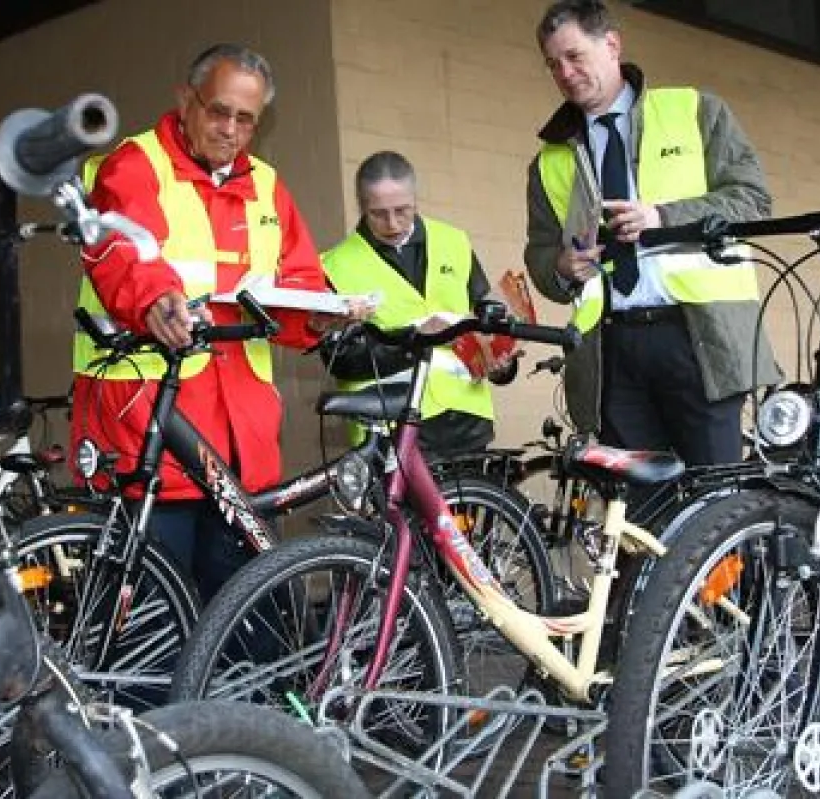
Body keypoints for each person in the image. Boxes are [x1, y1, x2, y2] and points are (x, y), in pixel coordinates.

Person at [69, 43, 345, 605]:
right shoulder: (133, 165)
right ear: (185, 100)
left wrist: (321, 313)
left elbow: (297, 281)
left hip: (241, 446)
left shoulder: (267, 186)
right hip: (148, 432)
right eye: (219, 111)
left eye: (246, 118)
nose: (230, 129)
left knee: (251, 629)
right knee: (151, 633)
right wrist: (157, 299)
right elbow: (123, 252)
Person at [523, 0, 782, 469]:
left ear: (612, 45)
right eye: (552, 64)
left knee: (715, 499)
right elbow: (540, 254)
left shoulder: (696, 111)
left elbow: (752, 200)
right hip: (611, 353)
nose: (564, 72)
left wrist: (664, 216)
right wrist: (560, 266)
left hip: (700, 339)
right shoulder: (549, 162)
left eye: (575, 56)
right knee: (637, 515)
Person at [320, 151, 519, 460]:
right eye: (378, 213)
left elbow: (486, 320)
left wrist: (502, 362)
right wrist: (416, 338)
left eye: (403, 210)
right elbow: (341, 360)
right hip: (389, 427)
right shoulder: (334, 265)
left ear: (416, 199)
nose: (393, 223)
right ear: (361, 205)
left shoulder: (454, 242)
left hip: (466, 420)